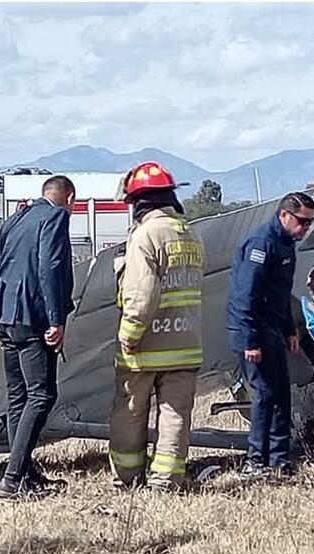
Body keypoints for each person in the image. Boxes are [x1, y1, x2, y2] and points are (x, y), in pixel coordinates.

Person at [108, 161, 204, 492]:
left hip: (147, 347)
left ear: (139, 202)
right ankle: (165, 481)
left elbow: (141, 293)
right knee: (176, 417)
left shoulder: (146, 235)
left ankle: (127, 478)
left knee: (130, 414)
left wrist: (129, 336)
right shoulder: (189, 233)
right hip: (185, 345)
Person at [0, 175, 77, 500]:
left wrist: (1, 307)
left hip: (7, 315)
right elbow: (50, 267)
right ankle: (14, 478)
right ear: (69, 198)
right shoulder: (55, 217)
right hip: (33, 317)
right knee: (41, 395)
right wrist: (57, 320)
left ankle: (24, 472)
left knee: (18, 396)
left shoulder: (16, 218)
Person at [226, 191, 314, 479]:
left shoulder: (287, 243)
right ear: (284, 215)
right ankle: (256, 460)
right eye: (301, 221)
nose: (305, 229)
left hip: (274, 329)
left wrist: (290, 329)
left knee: (280, 393)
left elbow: (280, 293)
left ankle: (279, 459)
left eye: (309, 223)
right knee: (263, 394)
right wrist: (250, 340)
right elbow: (245, 296)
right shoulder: (261, 243)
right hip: (252, 329)